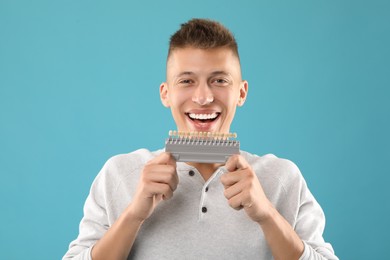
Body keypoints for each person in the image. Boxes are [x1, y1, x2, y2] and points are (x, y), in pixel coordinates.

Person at [63, 18, 338, 260]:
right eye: (186, 81)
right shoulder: (118, 174)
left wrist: (267, 215)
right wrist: (133, 215)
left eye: (219, 80)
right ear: (165, 93)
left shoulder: (283, 178)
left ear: (241, 93)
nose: (203, 97)